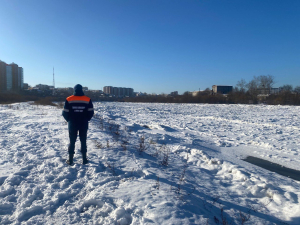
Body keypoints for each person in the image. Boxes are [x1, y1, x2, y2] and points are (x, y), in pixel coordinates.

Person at [62, 84, 94, 165]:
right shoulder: (87, 99)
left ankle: (70, 160)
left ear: (74, 90)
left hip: (72, 124)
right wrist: (87, 119)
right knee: (83, 141)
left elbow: (65, 112)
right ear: (82, 90)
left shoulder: (69, 99)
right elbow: (91, 112)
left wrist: (69, 120)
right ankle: (84, 159)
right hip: (83, 123)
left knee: (72, 141)